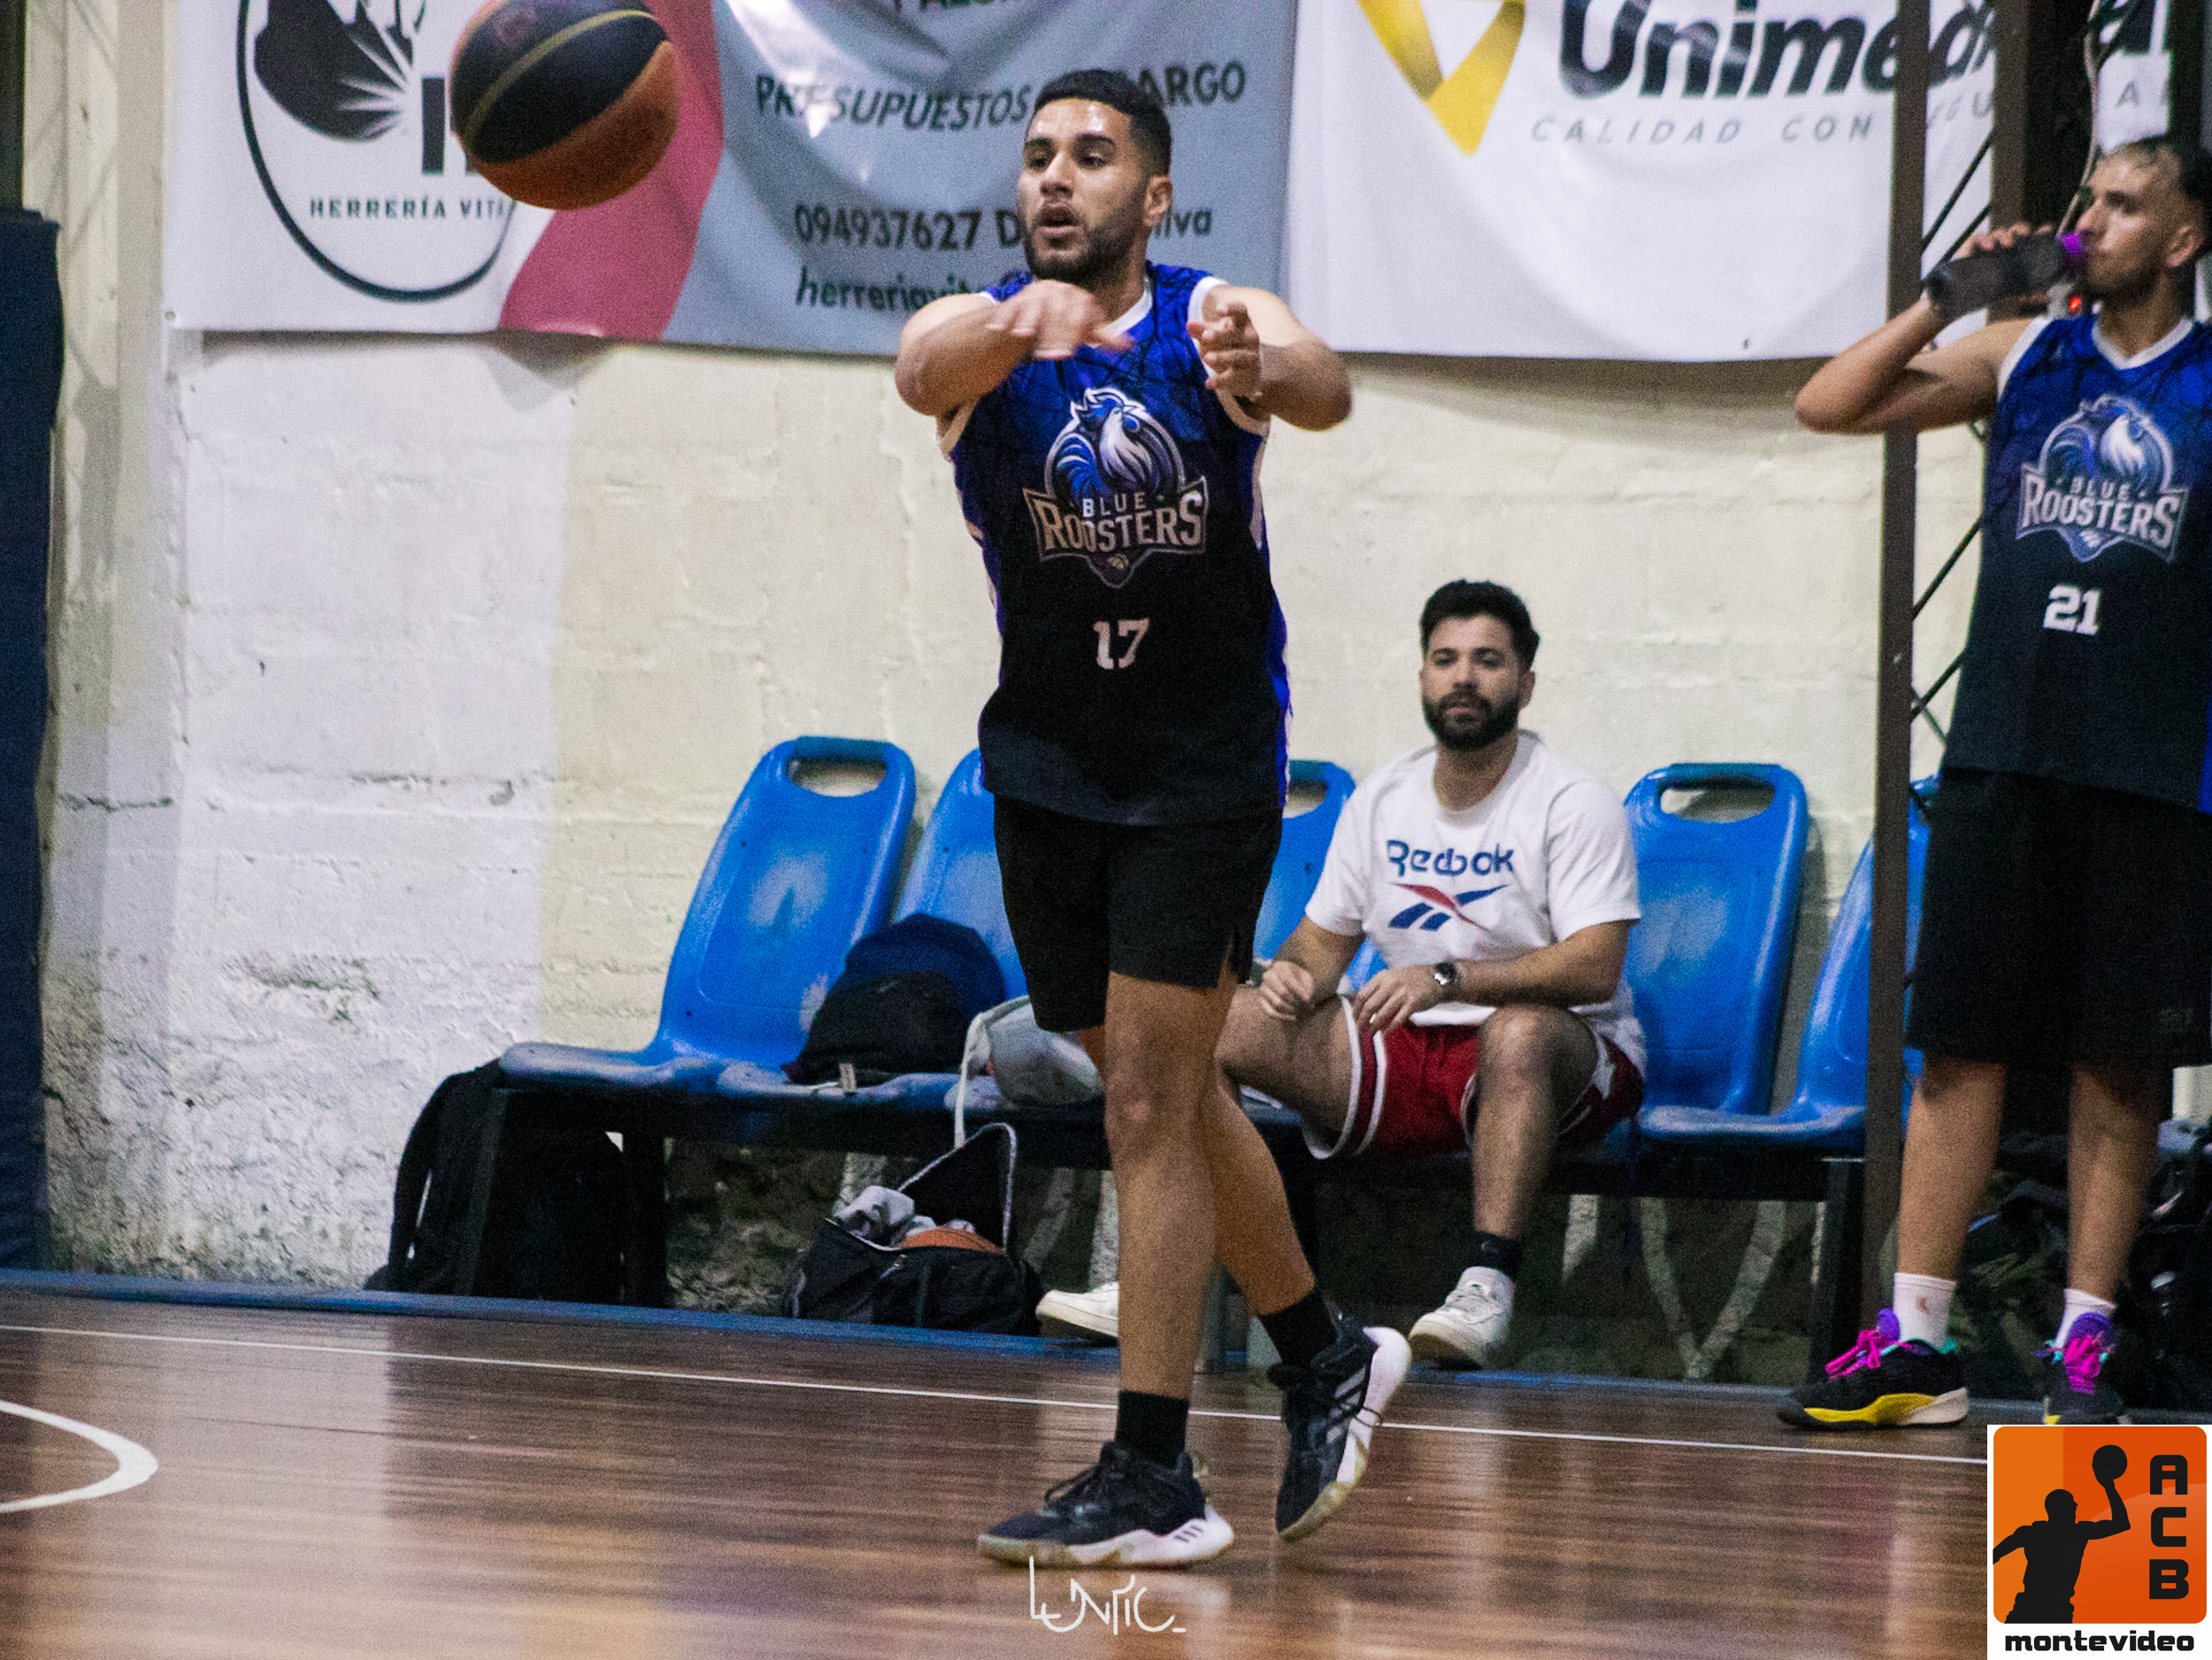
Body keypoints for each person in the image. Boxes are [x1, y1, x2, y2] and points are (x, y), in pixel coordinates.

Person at [894, 69, 1408, 1567]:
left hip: (1199, 769)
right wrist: (1017, 325)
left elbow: (1324, 384)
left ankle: (1156, 1468)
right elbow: (919, 366)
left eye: (1093, 154)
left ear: (1156, 194)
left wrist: (1268, 353)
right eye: (1039, 155)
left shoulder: (1208, 321)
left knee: (1141, 1105)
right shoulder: (985, 343)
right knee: (1152, 1087)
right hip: (1050, 765)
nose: (1057, 177)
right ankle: (1324, 1353)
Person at [1781, 134, 2212, 1431]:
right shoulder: (2026, 352)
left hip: (2149, 769)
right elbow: (1827, 404)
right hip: (2003, 750)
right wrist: (1943, 301)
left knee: (2116, 1066)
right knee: (1959, 1046)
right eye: (2090, 196)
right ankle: (1916, 1342)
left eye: (2122, 204)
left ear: (2183, 238)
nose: (2091, 218)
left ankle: (2084, 1342)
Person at [1225, 580, 1642, 1366]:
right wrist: (1292, 977)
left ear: (1525, 683)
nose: (1464, 678)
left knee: (1516, 1036)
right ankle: (1181, 1267)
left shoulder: (1572, 799)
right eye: (1445, 660)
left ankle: (1487, 1287)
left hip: (1563, 1055)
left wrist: (1448, 978)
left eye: (1488, 661)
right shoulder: (1384, 796)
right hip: (1412, 1049)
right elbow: (1319, 947)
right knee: (1222, 1025)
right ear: (1422, 676)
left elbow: (1595, 965)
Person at [1993, 1472, 2131, 1624]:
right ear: (2062, 1509)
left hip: (2029, 1607)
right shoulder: (2078, 1533)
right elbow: (2121, 1523)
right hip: (2056, 1611)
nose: (2076, 1506)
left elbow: (1996, 1554)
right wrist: (2109, 1487)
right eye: (2071, 1503)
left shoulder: (2031, 1532)